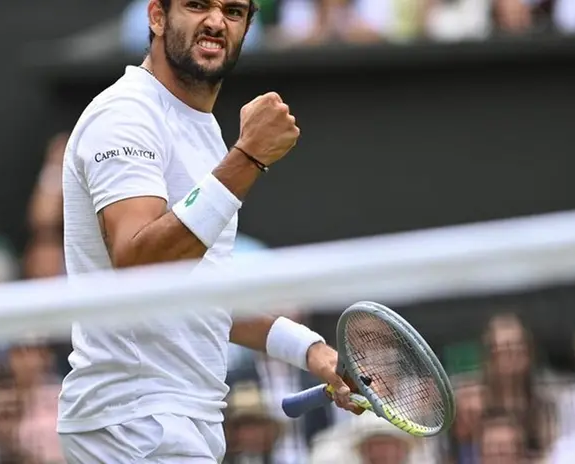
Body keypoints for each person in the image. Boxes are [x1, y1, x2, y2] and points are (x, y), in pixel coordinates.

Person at [56, 1, 362, 462]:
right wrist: (248, 158)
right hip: (137, 423)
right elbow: (138, 265)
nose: (217, 21)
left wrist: (310, 350)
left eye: (234, 11)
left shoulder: (202, 132)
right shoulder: (124, 115)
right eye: (198, 4)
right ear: (156, 17)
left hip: (175, 420)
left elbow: (196, 297)